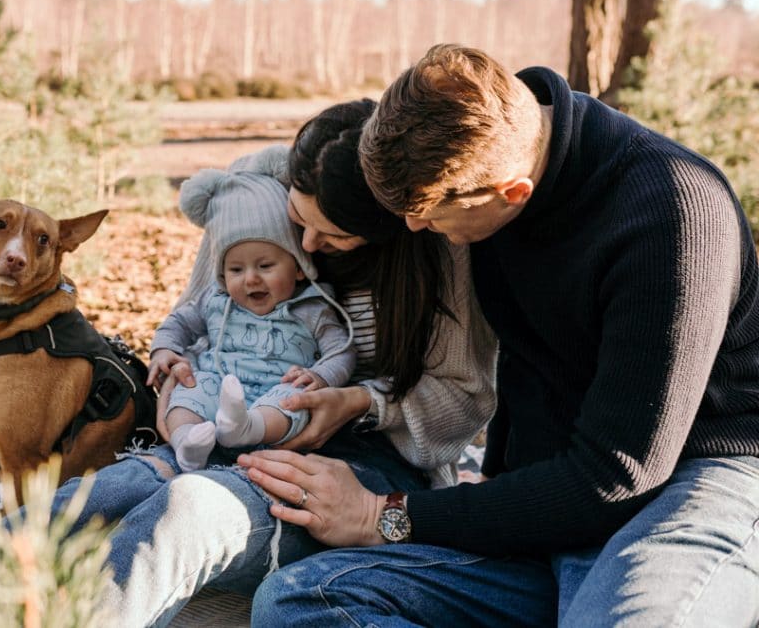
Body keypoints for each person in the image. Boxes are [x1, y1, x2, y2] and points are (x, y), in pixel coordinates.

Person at [0, 100, 497, 628]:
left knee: (185, 511)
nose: (308, 246)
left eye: (335, 238)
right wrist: (173, 367)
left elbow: (463, 403)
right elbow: (196, 319)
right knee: (75, 504)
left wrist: (361, 401)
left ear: (395, 226)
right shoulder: (252, 192)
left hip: (351, 463)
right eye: (299, 222)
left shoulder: (437, 246)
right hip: (213, 433)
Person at [247, 44, 759, 627]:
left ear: (512, 192)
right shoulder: (488, 152)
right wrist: (499, 482)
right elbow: (530, 364)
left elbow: (618, 474)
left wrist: (383, 514)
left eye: (428, 216)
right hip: (559, 495)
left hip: (696, 477)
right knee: (302, 600)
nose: (413, 228)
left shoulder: (673, 215)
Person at [150, 169, 356, 472]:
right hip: (218, 385)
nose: (251, 279)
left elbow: (342, 349)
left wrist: (322, 376)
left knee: (295, 399)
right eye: (235, 270)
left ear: (300, 268)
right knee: (191, 385)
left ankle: (246, 428)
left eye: (265, 265)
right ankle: (187, 443)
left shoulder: (312, 308)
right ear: (221, 274)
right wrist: (164, 350)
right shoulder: (215, 301)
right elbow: (178, 323)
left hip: (276, 393)